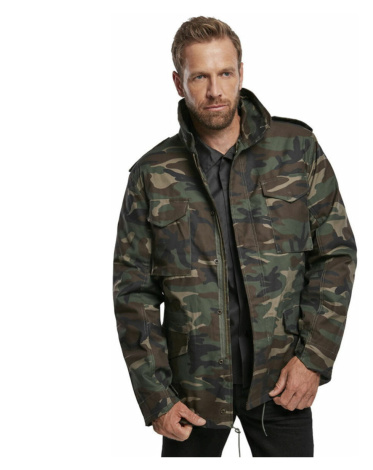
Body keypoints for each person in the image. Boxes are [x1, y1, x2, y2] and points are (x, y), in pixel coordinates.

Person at [113, 16, 357, 457]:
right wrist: (156, 397)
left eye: (225, 73)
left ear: (241, 73)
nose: (214, 90)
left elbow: (335, 255)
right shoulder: (152, 174)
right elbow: (133, 292)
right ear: (178, 82)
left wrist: (314, 359)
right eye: (199, 77)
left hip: (283, 383)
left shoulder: (297, 149)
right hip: (191, 392)